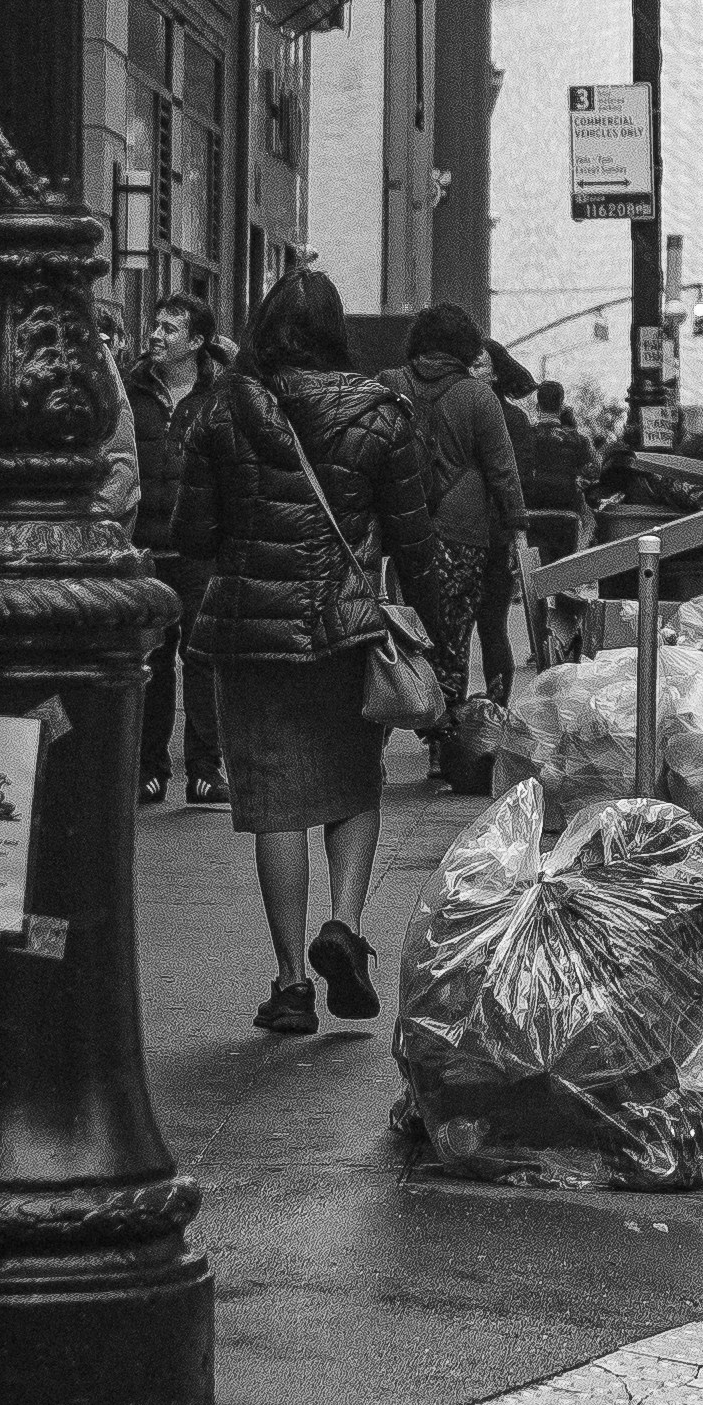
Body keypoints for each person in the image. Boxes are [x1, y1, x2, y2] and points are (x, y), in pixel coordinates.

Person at [176, 267, 452, 1036]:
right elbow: (415, 540)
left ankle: (291, 982)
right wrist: (449, 642)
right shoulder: (381, 413)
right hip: (344, 628)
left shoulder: (222, 410)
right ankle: (344, 925)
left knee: (273, 805)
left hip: (247, 633)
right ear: (339, 331)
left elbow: (191, 534)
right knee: (351, 784)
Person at [397, 303, 526, 712]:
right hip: (463, 534)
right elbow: (503, 471)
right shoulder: (479, 397)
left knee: (400, 630)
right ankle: (445, 733)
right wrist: (517, 529)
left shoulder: (389, 384)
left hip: (402, 527)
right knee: (454, 635)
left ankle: (389, 718)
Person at [131, 293, 221, 805]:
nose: (157, 335)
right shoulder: (130, 388)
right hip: (144, 546)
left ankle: (205, 769)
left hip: (199, 549)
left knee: (202, 657)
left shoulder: (219, 394)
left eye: (171, 329)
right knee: (153, 660)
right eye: (157, 325)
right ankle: (150, 767)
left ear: (197, 341)